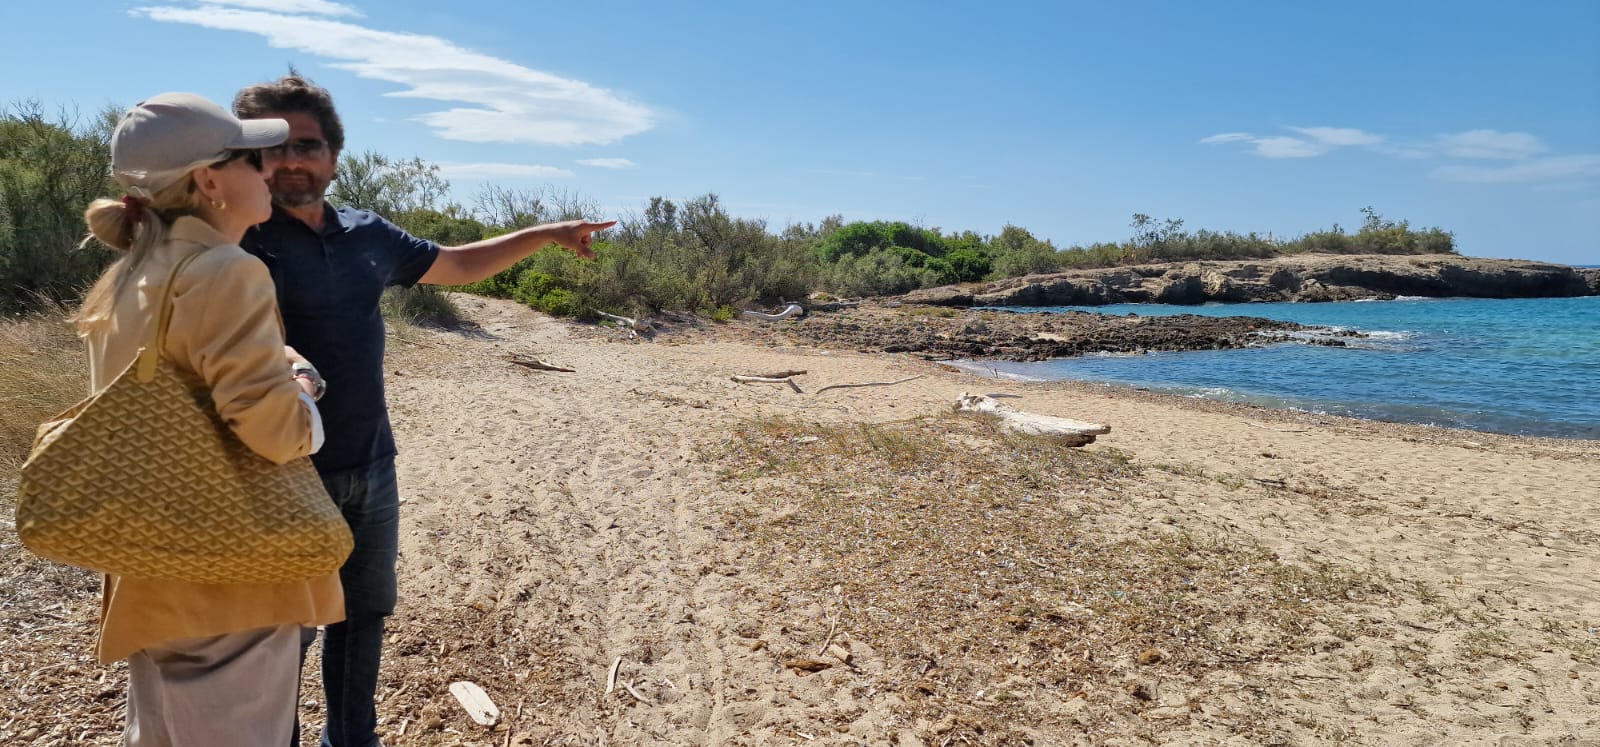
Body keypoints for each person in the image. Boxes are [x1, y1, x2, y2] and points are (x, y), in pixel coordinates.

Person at [232, 73, 614, 747]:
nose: (291, 160)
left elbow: (457, 265)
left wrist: (549, 233)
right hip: (280, 471)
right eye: (275, 148)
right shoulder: (238, 236)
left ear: (335, 155)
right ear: (249, 156)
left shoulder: (365, 234)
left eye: (308, 145)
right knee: (280, 631)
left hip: (372, 464)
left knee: (364, 616)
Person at [76, 92, 343, 746]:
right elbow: (277, 433)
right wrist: (303, 388)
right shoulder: (227, 270)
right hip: (229, 574)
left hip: (151, 567)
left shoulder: (134, 272)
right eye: (253, 157)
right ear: (208, 181)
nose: (270, 169)